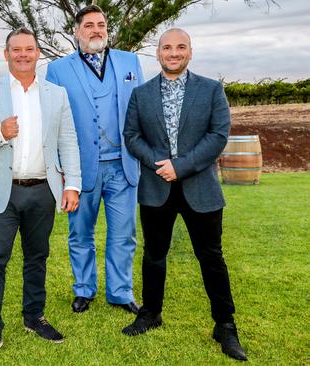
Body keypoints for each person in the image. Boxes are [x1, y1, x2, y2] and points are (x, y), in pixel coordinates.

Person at [121, 28, 247, 361]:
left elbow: (218, 135)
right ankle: (151, 312)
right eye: (167, 47)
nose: (173, 53)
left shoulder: (211, 90)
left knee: (211, 257)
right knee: (154, 256)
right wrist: (158, 164)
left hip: (200, 189)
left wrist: (181, 166)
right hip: (156, 188)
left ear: (190, 52)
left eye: (180, 47)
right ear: (158, 53)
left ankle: (225, 325)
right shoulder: (141, 94)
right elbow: (131, 136)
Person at [0, 28, 81, 363]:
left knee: (37, 257)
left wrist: (72, 184)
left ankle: (34, 317)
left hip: (42, 190)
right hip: (1, 192)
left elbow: (68, 141)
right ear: (6, 54)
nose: (23, 55)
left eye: (29, 49)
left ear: (38, 53)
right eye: (17, 50)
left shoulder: (56, 94)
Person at [45, 4, 143, 314]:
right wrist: (61, 169)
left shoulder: (130, 62)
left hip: (123, 166)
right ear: (76, 31)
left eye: (101, 24)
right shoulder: (58, 69)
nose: (96, 30)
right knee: (80, 232)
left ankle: (120, 291)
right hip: (80, 168)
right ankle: (84, 289)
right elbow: (53, 123)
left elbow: (140, 110)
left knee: (123, 234)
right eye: (89, 25)